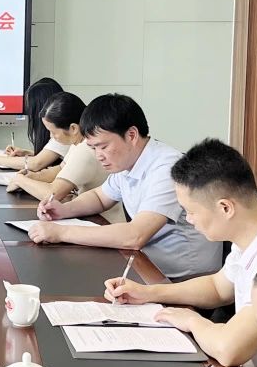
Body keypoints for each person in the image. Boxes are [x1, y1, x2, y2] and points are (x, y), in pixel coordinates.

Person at [105, 139, 257, 367]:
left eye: (190, 211)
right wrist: (148, 293)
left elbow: (228, 349)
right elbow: (217, 288)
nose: (189, 220)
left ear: (225, 208)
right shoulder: (256, 232)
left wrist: (192, 321)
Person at [28, 94, 222, 280]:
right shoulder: (128, 161)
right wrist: (63, 210)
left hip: (181, 277)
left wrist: (62, 232)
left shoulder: (166, 169)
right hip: (146, 262)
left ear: (131, 135)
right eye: (93, 148)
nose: (98, 156)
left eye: (103, 147)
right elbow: (99, 197)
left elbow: (135, 235)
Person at [1, 92, 105, 203]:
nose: (51, 136)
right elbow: (60, 169)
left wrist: (20, 180)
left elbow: (52, 195)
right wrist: (33, 176)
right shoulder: (78, 142)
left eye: (53, 132)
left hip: (98, 213)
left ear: (73, 128)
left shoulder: (86, 149)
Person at [0, 77, 65, 170]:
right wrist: (26, 153)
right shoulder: (62, 125)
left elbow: (36, 163)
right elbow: (53, 156)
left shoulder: (63, 132)